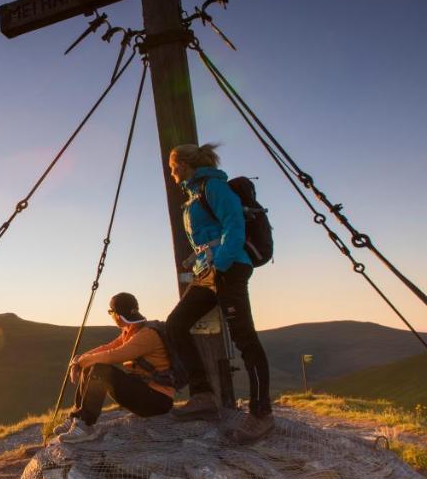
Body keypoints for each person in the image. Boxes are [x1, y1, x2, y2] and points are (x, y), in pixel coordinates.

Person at [166, 142, 274, 443]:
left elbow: (234, 225)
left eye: (173, 168)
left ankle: (261, 413)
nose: (172, 175)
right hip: (207, 272)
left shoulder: (213, 187)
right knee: (175, 324)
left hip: (228, 269)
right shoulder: (194, 194)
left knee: (245, 339)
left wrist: (223, 265)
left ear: (183, 166)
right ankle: (203, 396)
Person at [54, 292, 175, 443]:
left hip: (157, 401)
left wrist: (82, 361)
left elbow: (113, 355)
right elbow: (108, 347)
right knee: (92, 365)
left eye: (111, 312)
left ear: (117, 315)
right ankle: (76, 418)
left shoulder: (147, 335)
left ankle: (86, 427)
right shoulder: (131, 330)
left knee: (100, 369)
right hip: (145, 392)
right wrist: (79, 360)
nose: (110, 315)